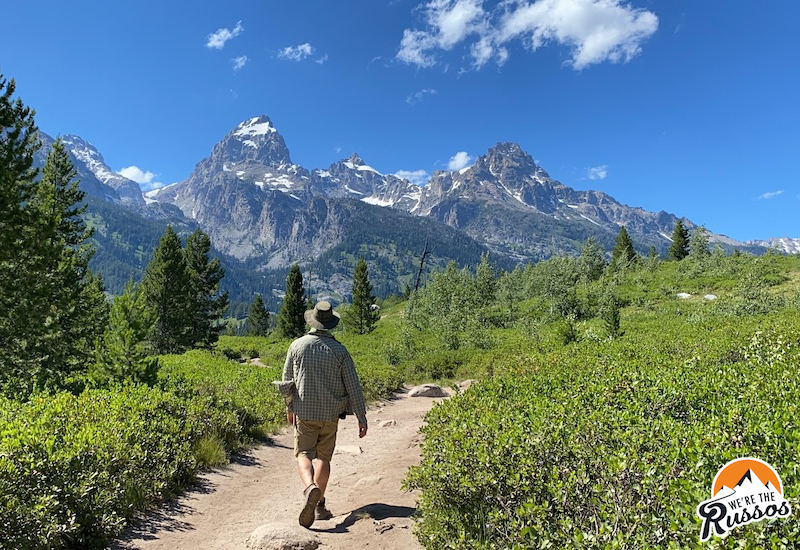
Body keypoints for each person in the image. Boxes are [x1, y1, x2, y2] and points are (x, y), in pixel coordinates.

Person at [281, 300, 368, 528]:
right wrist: (361, 416)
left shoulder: (297, 346)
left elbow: (286, 381)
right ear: (331, 323)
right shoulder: (340, 351)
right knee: (324, 458)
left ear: (313, 320)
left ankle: (310, 487)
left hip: (304, 411)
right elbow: (353, 386)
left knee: (303, 454)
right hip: (330, 414)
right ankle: (319, 506)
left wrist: (289, 407)